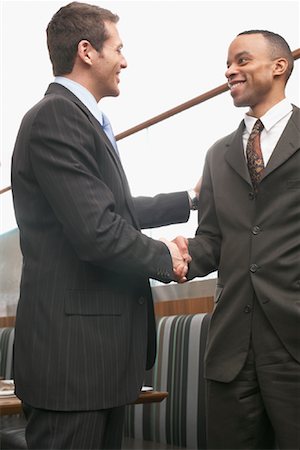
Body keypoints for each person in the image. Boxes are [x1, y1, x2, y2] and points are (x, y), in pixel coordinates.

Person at [10, 2, 200, 449]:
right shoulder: (56, 117)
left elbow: (110, 208)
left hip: (94, 359)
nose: (125, 60)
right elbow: (97, 229)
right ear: (87, 51)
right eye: (118, 47)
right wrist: (166, 257)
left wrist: (189, 200)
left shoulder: (80, 120)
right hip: (75, 362)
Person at [174, 30, 299, 449]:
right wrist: (178, 257)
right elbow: (211, 239)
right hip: (230, 349)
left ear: (279, 66)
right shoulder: (217, 154)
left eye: (242, 60)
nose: (230, 71)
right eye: (228, 64)